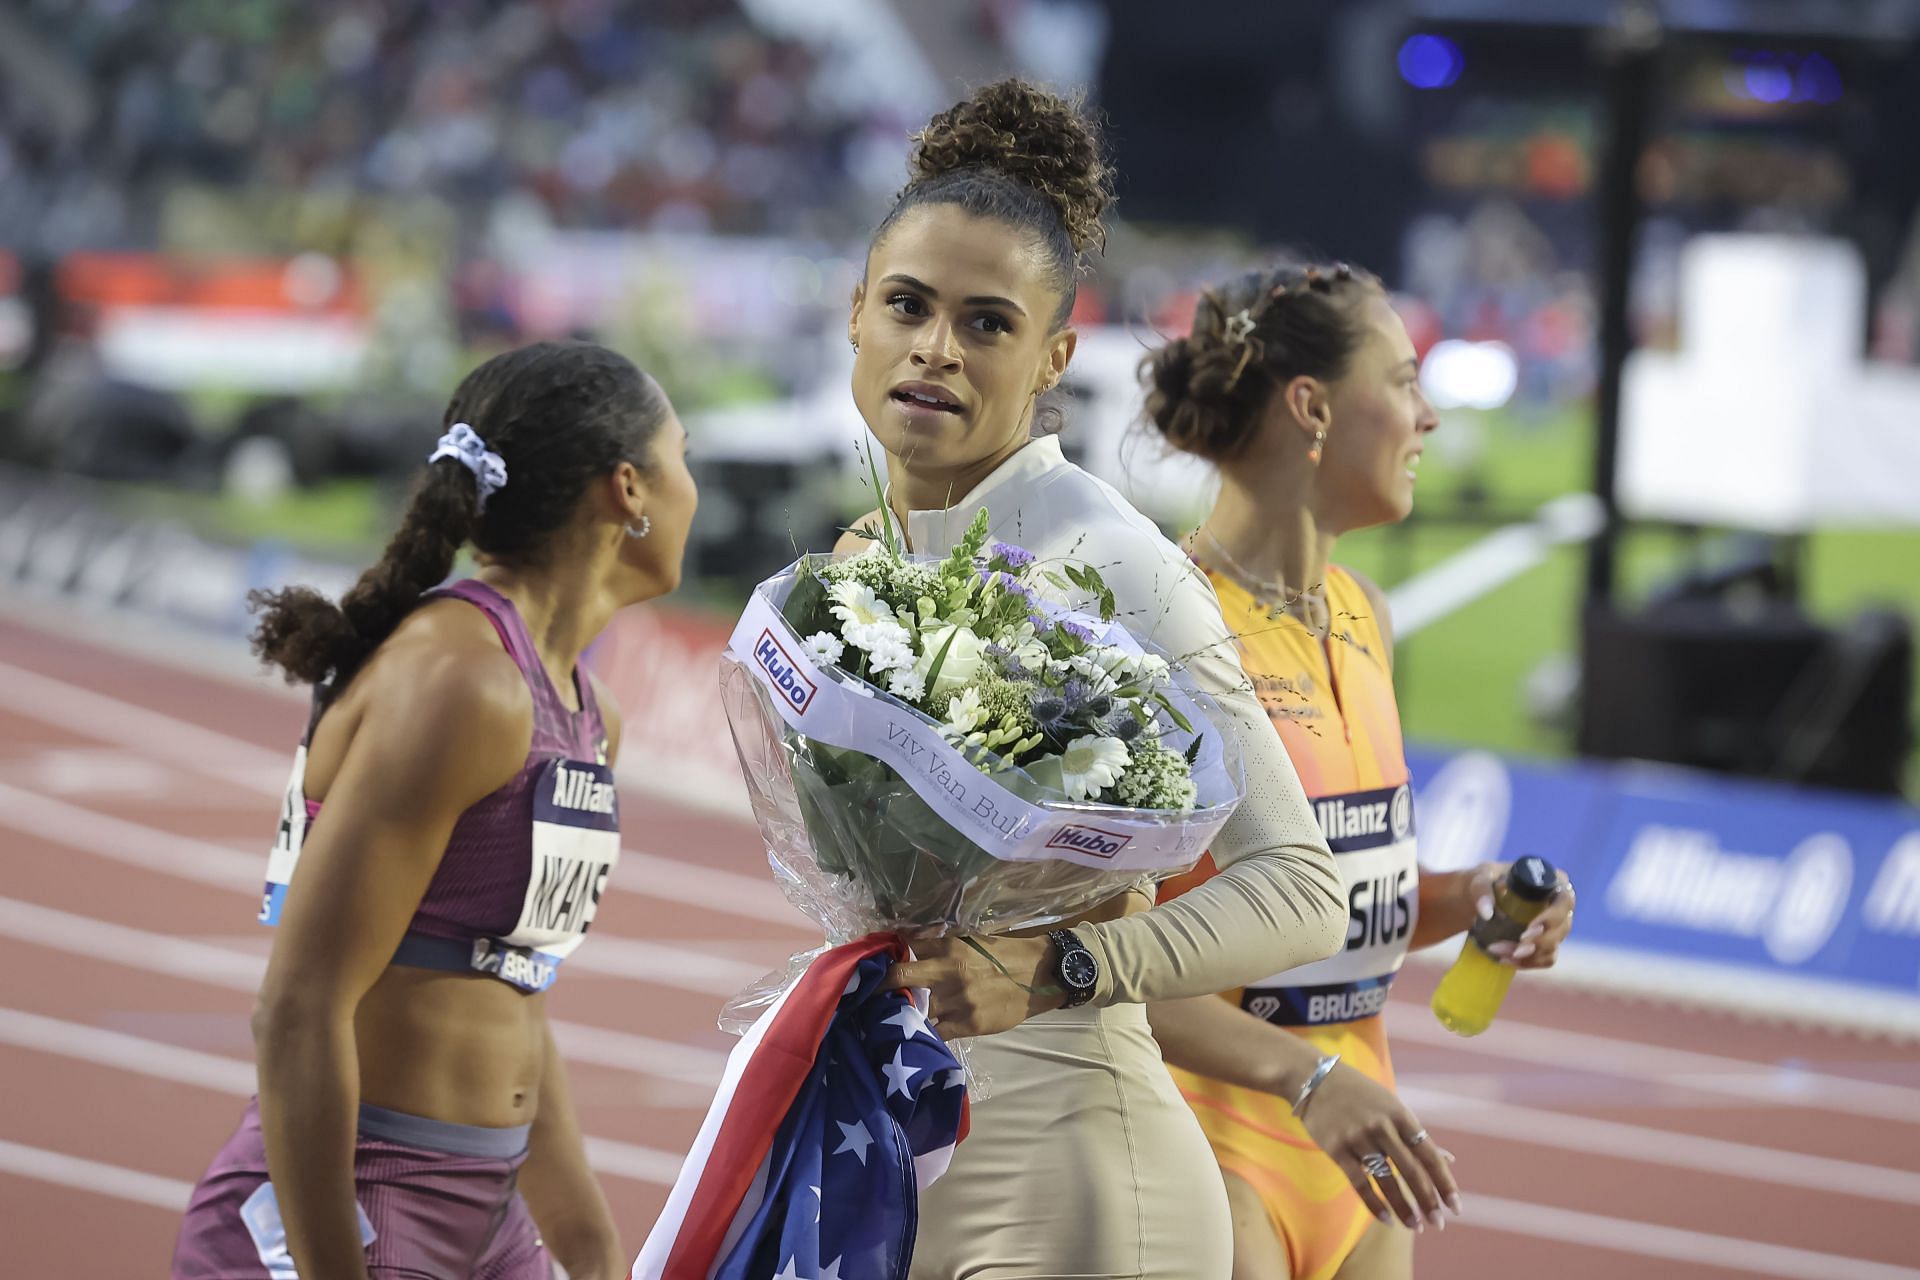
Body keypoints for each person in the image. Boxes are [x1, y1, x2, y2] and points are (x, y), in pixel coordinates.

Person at [832, 80, 1346, 1279]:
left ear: (1056, 352)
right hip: (889, 1137)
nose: (936, 348)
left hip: (1070, 1163)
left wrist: (1064, 966)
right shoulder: (856, 563)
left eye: (988, 322)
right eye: (907, 305)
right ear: (855, 312)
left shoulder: (1108, 558)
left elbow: (1300, 887)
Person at [171, 341, 699, 1280]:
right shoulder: (462, 684)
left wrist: (592, 1254)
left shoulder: (586, 710)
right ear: (629, 488)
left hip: (489, 1219)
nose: (693, 489)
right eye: (684, 457)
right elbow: (297, 1007)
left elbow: (515, 990)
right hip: (359, 1209)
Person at [1139, 263, 1576, 1279]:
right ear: (1313, 407)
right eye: (1406, 380)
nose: (1427, 417)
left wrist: (1468, 896)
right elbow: (1101, 968)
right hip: (1213, 1149)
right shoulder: (1165, 628)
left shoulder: (1366, 614)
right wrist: (1305, 1077)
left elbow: (1323, 905)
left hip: (1359, 1158)